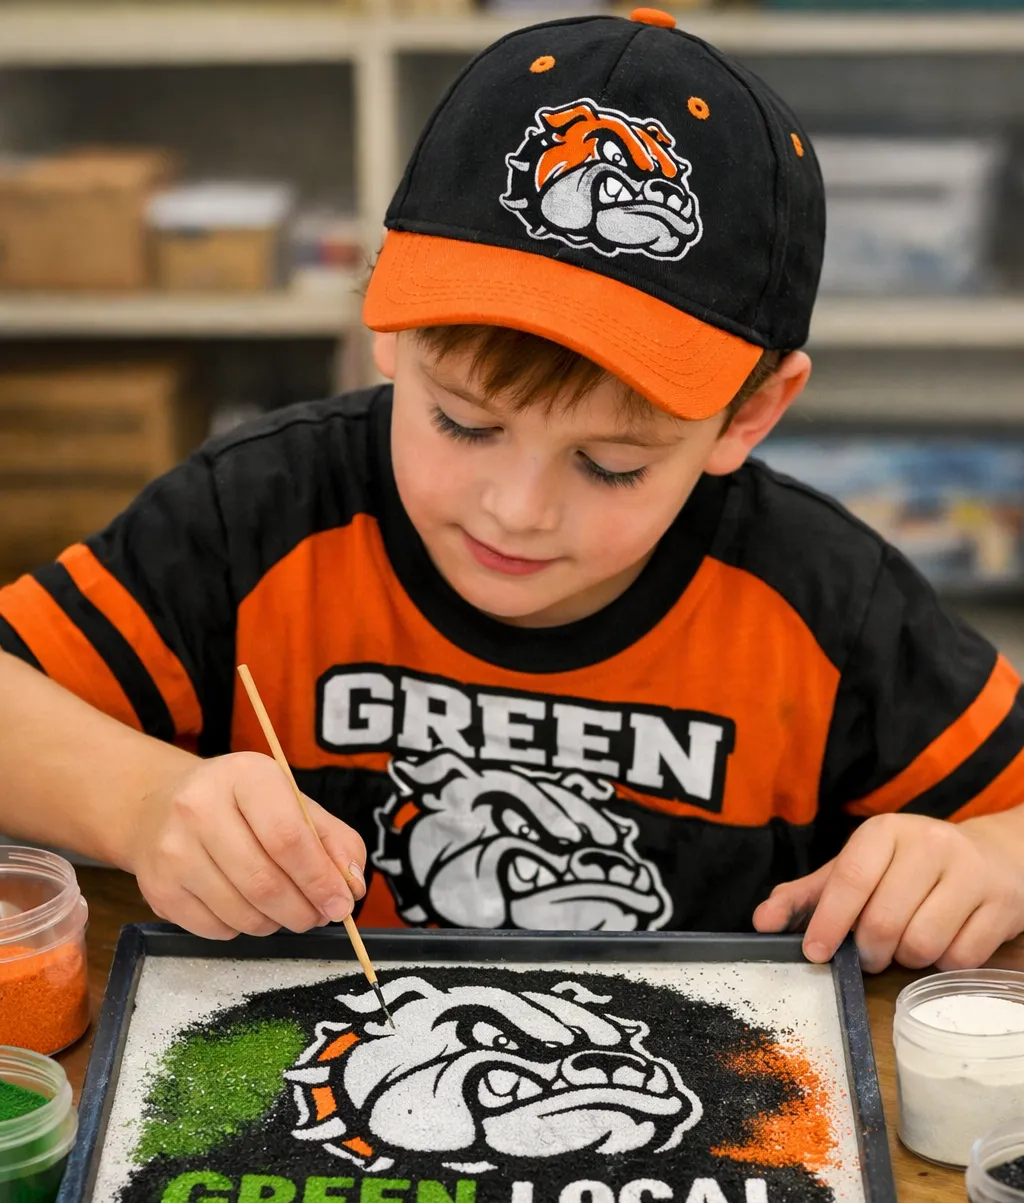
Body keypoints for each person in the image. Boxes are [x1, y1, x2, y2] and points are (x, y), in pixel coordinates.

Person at [1, 10, 1022, 973]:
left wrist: (989, 863)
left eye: (611, 463)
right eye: (464, 422)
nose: (517, 509)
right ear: (387, 325)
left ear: (747, 416)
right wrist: (140, 802)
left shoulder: (826, 604)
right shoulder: (258, 516)